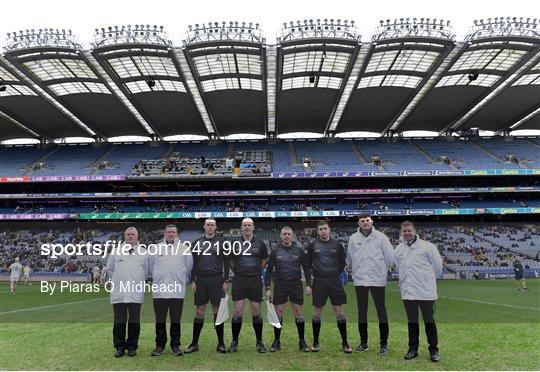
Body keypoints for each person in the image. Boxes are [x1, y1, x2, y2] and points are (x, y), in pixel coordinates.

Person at [394, 221, 442, 362]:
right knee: (412, 321)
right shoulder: (398, 249)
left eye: (409, 230)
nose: (407, 233)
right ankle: (412, 349)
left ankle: (433, 351)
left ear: (414, 230)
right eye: (404, 231)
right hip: (408, 291)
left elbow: (438, 268)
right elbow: (399, 268)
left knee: (429, 321)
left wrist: (428, 281)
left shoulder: (428, 246)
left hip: (426, 291)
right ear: (401, 232)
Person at [347, 212, 394, 355]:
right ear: (359, 223)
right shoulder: (354, 238)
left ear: (372, 221)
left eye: (367, 220)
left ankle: (384, 344)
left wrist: (380, 270)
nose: (365, 223)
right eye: (362, 221)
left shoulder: (381, 237)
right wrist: (357, 271)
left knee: (381, 312)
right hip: (360, 280)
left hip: (377, 280)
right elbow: (349, 257)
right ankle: (363, 343)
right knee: (362, 312)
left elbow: (390, 257)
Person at [185, 218, 230, 354]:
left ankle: (221, 343)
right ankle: (194, 344)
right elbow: (192, 264)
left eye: (212, 225)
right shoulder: (197, 243)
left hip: (217, 280)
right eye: (208, 225)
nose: (210, 227)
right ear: (204, 227)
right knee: (200, 311)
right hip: (201, 281)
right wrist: (193, 280)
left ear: (215, 227)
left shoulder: (222, 242)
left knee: (217, 311)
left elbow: (226, 264)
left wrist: (226, 281)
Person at [306, 221, 352, 353]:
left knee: (339, 311)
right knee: (316, 312)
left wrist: (332, 275)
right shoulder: (312, 245)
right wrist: (309, 283)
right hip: (319, 282)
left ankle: (345, 342)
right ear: (317, 231)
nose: (323, 231)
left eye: (325, 228)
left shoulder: (337, 245)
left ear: (329, 229)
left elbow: (342, 263)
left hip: (334, 281)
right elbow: (308, 265)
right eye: (321, 229)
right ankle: (315, 342)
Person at [265, 226, 311, 353]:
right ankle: (276, 341)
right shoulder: (275, 252)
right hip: (280, 285)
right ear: (280, 235)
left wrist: (308, 284)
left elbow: (306, 268)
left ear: (292, 235)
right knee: (279, 312)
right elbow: (268, 271)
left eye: (288, 234)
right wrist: (267, 287)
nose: (286, 236)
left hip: (296, 284)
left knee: (298, 311)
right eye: (284, 234)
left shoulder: (299, 251)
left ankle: (302, 341)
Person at [106, 227, 150, 358]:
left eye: (133, 234)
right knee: (119, 320)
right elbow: (110, 269)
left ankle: (132, 346)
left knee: (134, 320)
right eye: (128, 234)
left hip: (135, 292)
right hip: (119, 292)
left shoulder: (144, 252)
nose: (130, 236)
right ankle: (119, 347)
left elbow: (146, 272)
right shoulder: (116, 252)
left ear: (137, 236)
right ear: (124, 236)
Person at [149, 224, 193, 356]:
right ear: (165, 233)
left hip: (177, 290)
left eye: (173, 232)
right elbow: (151, 267)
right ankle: (159, 346)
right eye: (169, 232)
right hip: (159, 290)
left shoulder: (184, 248)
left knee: (175, 320)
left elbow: (188, 267)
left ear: (177, 233)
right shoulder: (155, 248)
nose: (171, 234)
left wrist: (179, 278)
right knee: (160, 320)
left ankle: (175, 345)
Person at [228, 218, 268, 353]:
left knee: (256, 310)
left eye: (249, 225)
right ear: (241, 227)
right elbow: (231, 261)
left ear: (253, 227)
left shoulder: (260, 243)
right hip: (239, 281)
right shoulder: (235, 243)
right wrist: (240, 272)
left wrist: (255, 272)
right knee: (238, 311)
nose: (247, 227)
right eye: (244, 225)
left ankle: (259, 342)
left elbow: (263, 261)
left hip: (255, 281)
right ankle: (234, 342)